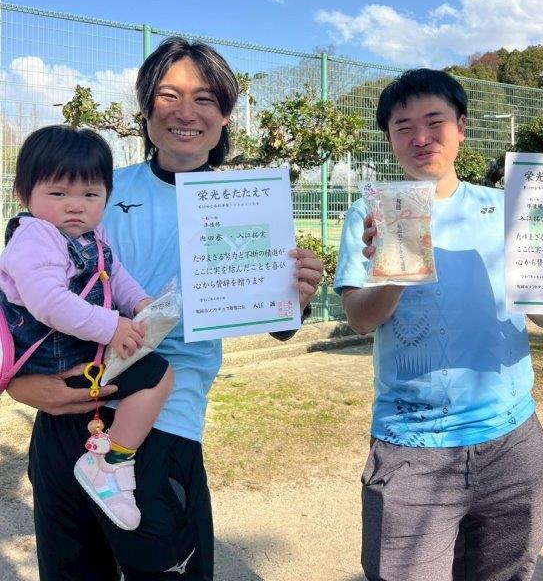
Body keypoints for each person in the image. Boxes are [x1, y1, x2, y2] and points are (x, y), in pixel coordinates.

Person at [7, 37, 324, 581]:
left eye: (204, 99)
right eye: (168, 95)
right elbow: (24, 290)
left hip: (164, 424)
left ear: (225, 115)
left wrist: (294, 297)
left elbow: (273, 321)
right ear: (146, 107)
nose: (185, 112)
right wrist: (19, 385)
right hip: (63, 414)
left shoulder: (248, 204)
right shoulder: (95, 190)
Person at [333, 68, 543, 581]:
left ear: (461, 127)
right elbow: (359, 319)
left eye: (434, 121)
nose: (421, 138)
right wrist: (395, 267)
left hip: (512, 441)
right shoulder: (369, 212)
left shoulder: (506, 208)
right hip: (410, 445)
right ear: (389, 138)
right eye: (403, 127)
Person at [0, 125, 173, 532]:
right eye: (59, 194)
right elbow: (48, 302)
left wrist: (142, 304)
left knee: (153, 374)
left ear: (106, 197)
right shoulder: (36, 237)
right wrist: (112, 325)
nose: (75, 206)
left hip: (79, 349)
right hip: (52, 359)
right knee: (157, 375)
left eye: (90, 195)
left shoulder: (93, 235)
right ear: (25, 194)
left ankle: (109, 461)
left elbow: (116, 275)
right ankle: (110, 465)